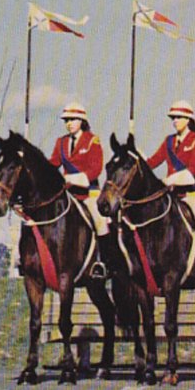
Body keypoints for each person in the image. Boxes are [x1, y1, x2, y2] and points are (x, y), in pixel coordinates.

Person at [147, 100, 195, 274]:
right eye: (173, 118)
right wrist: (136, 161)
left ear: (188, 119)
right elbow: (154, 161)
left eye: (178, 117)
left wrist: (169, 180)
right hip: (171, 194)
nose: (175, 121)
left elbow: (192, 171)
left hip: (191, 193)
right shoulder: (168, 141)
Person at [49, 102, 114, 279]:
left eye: (72, 119)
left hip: (88, 193)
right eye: (66, 120)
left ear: (81, 120)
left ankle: (104, 262)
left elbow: (96, 169)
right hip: (68, 194)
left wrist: (73, 179)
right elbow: (53, 163)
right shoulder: (61, 142)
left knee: (100, 221)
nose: (69, 123)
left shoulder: (92, 140)